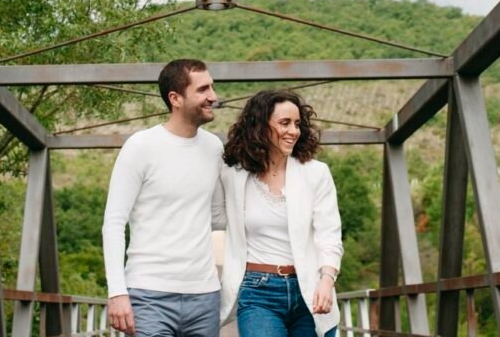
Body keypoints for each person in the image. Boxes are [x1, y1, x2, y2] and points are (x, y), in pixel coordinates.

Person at [102, 59, 223, 336]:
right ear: (175, 98)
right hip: (148, 295)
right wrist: (117, 292)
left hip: (204, 296)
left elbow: (219, 217)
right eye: (203, 89)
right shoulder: (141, 146)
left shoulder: (214, 147)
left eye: (212, 88)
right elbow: (114, 223)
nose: (213, 97)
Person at [217, 90, 343, 337]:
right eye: (284, 123)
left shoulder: (316, 173)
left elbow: (329, 233)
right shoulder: (233, 175)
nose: (293, 131)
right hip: (258, 291)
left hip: (310, 289)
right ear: (260, 126)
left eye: (297, 124)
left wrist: (327, 280)